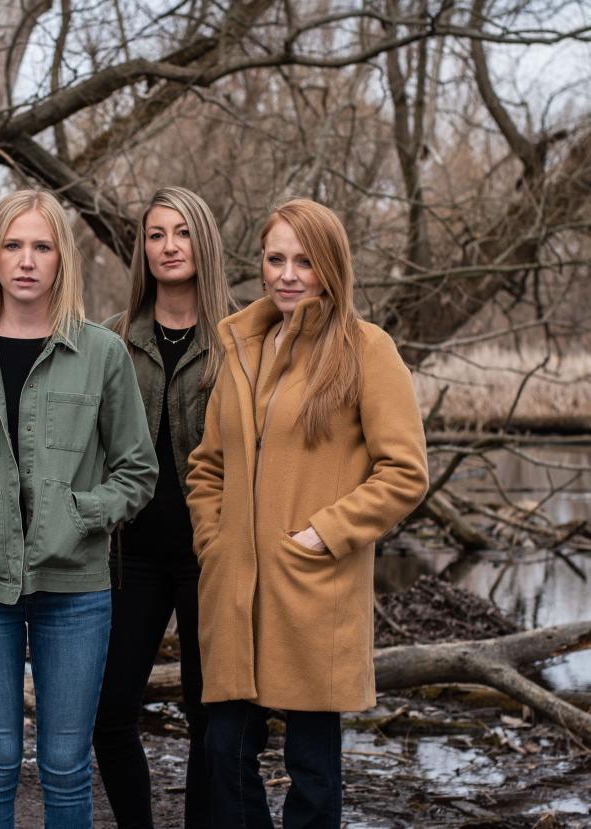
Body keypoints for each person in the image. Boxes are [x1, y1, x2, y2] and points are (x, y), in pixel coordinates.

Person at [0, 189, 158, 828]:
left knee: (67, 767)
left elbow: (137, 470)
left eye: (41, 247)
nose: (26, 260)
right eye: (13, 246)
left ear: (59, 260)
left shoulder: (101, 352)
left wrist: (82, 514)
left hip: (74, 588)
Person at [186, 198, 428, 828]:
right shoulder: (239, 346)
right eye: (276, 259)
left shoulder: (366, 350)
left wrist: (325, 534)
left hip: (312, 591)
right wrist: (215, 540)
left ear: (330, 268)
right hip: (234, 591)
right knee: (223, 753)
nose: (288, 274)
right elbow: (208, 465)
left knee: (312, 769)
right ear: (261, 265)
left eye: (304, 261)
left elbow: (404, 472)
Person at [97, 187, 234, 828]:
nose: (168, 246)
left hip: (214, 555)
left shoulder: (240, 341)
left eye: (181, 233)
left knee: (212, 713)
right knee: (111, 710)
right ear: (142, 249)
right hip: (130, 557)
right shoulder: (113, 341)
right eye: (155, 235)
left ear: (203, 243)